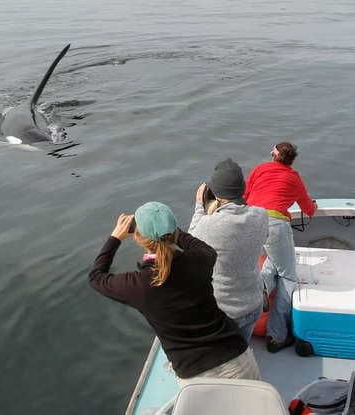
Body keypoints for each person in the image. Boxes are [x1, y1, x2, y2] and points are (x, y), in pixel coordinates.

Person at [89, 201, 260, 386]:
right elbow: (201, 247)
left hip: (197, 378)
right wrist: (172, 231)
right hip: (239, 360)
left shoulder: (139, 285)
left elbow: (96, 277)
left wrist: (115, 238)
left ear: (138, 238)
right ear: (174, 231)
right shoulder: (202, 259)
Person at [244, 142, 317, 353]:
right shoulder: (293, 177)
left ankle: (262, 287)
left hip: (251, 221)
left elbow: (246, 197)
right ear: (291, 160)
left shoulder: (259, 169)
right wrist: (313, 206)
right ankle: (276, 337)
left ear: (273, 156)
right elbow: (309, 210)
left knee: (272, 266)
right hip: (275, 225)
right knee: (288, 277)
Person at [188, 159, 269, 342]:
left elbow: (190, 246)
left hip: (223, 313)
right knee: (241, 349)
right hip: (253, 305)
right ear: (242, 188)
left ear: (215, 193)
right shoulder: (261, 215)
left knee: (222, 360)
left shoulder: (208, 225)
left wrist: (199, 207)